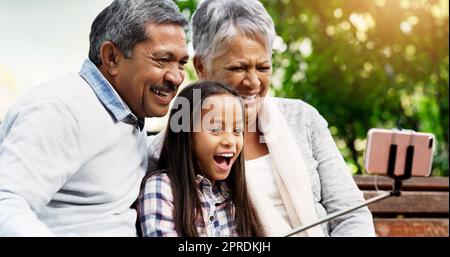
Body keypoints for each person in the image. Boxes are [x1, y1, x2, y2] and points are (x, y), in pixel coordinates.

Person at [148, 0, 375, 236]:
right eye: (238, 68)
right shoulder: (172, 147)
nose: (254, 83)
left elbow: (351, 215)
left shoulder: (302, 119)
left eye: (263, 68)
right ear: (201, 66)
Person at [0, 0, 189, 236]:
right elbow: (6, 202)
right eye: (162, 59)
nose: (177, 77)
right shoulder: (60, 109)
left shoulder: (129, 112)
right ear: (112, 58)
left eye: (181, 63)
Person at [138, 81, 263, 237]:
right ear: (187, 135)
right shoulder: (162, 189)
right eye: (216, 129)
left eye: (237, 130)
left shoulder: (232, 193)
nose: (230, 141)